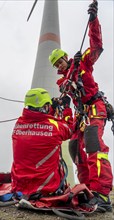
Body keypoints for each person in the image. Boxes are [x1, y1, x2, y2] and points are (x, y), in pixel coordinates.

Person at [48, 0, 113, 211]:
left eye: (61, 61)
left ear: (66, 57)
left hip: (95, 107)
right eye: (56, 64)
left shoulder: (82, 62)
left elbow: (96, 46)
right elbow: (66, 99)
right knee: (75, 147)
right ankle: (88, 189)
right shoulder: (62, 83)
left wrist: (94, 20)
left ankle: (102, 193)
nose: (60, 65)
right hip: (81, 115)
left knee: (94, 144)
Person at [11, 88, 73, 197]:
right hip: (45, 188)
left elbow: (39, 121)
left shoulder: (18, 124)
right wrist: (67, 108)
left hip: (19, 188)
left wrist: (51, 109)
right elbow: (70, 129)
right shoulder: (54, 127)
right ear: (45, 106)